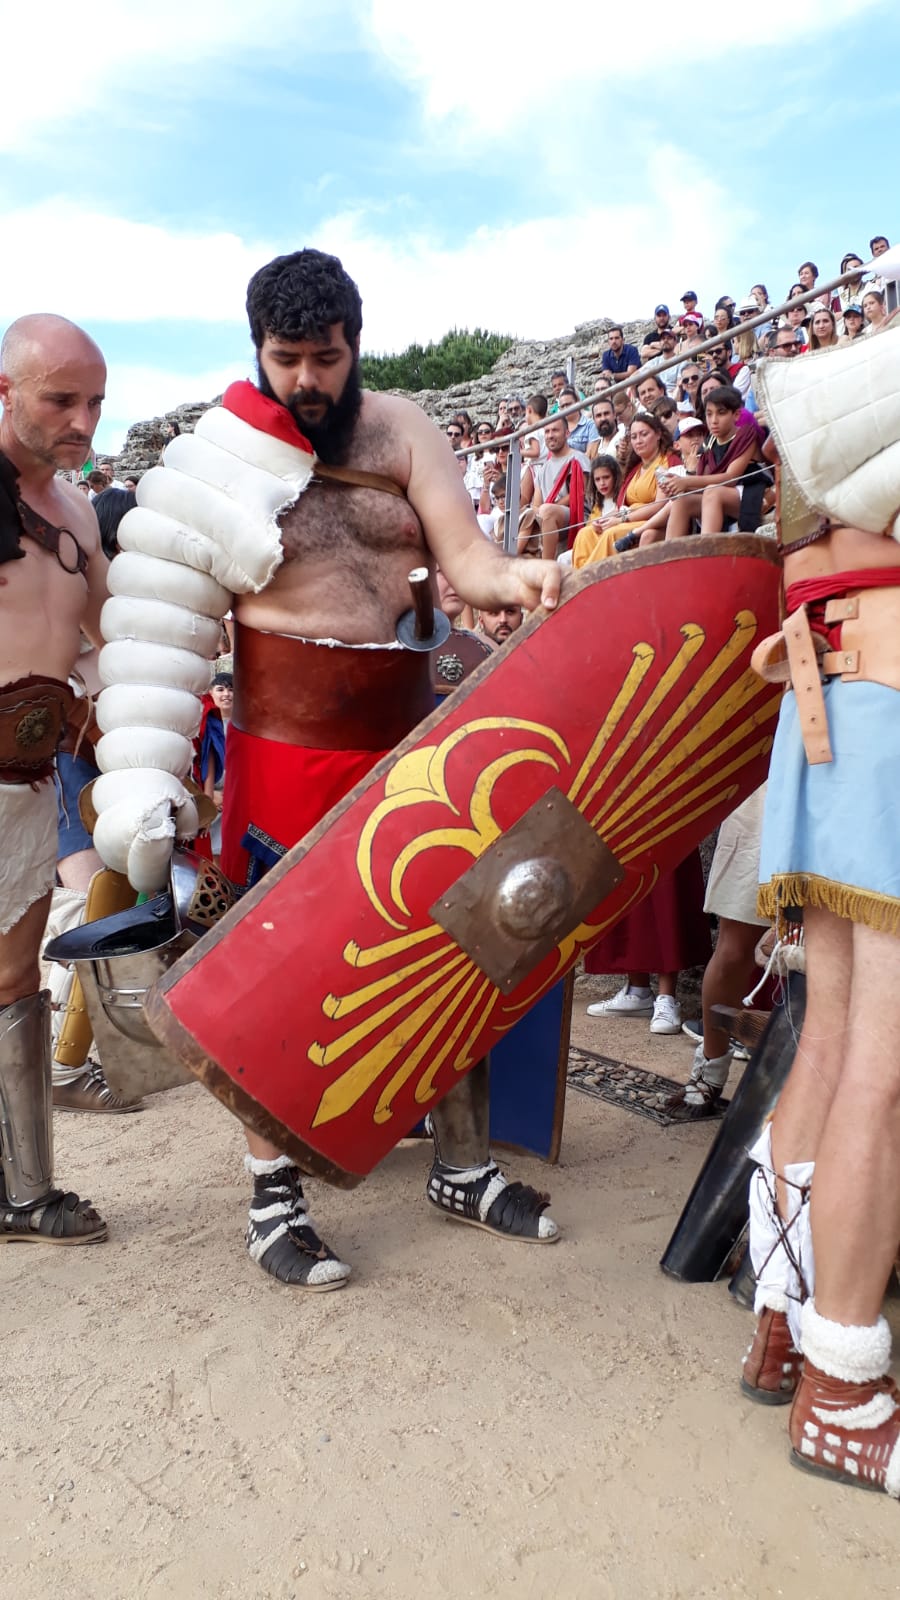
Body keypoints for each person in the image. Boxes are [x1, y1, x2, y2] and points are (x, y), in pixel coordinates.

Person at [90, 249, 563, 1289]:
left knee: (453, 943)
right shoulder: (213, 462)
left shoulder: (403, 431)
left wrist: (516, 576)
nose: (308, 378)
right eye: (287, 357)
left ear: (358, 342)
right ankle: (274, 1195)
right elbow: (157, 647)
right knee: (281, 973)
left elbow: (467, 557)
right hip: (281, 759)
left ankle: (461, 1161)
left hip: (405, 748)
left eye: (327, 356)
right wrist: (143, 785)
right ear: (255, 349)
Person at [737, 325, 900, 1498]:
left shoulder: (827, 417)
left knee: (834, 1043)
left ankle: (787, 1319)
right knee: (880, 1069)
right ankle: (848, 1386)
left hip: (827, 718)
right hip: (887, 717)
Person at [0, 313, 110, 1243]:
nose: (84, 421)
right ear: (6, 389)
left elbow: (116, 638)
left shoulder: (76, 511)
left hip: (31, 778)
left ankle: (23, 1194)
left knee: (10, 980)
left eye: (96, 402)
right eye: (61, 399)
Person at [571, 413, 675, 567]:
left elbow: (660, 506)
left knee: (610, 534)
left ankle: (592, 580)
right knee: (586, 534)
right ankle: (580, 577)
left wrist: (621, 519)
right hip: (629, 517)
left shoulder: (667, 461)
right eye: (634, 437)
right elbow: (623, 506)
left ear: (658, 434)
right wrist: (605, 519)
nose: (638, 441)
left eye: (644, 434)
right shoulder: (636, 467)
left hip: (651, 521)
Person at [661, 386, 762, 540]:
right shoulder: (709, 442)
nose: (713, 420)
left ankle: (705, 551)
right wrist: (676, 486)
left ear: (736, 414)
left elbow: (731, 478)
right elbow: (705, 480)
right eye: (709, 414)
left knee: (713, 492)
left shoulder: (746, 434)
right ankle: (670, 558)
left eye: (721, 413)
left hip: (751, 492)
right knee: (682, 501)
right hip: (720, 494)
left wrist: (686, 481)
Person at [526, 414, 589, 560]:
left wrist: (547, 509)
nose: (550, 435)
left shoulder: (578, 458)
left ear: (567, 433)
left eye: (555, 430)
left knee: (547, 510)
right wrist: (539, 512)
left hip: (577, 516)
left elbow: (580, 492)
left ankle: (547, 564)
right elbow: (536, 504)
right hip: (548, 516)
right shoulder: (542, 469)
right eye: (547, 431)